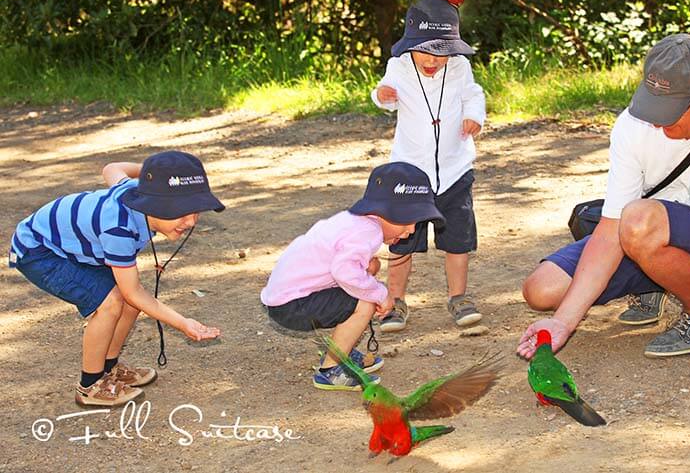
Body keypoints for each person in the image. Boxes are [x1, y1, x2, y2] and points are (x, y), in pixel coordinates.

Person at [517, 34, 690, 389]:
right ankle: (658, 280)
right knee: (542, 290)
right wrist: (563, 323)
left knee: (639, 220)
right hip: (647, 237)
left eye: (671, 112)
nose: (658, 123)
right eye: (653, 107)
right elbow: (610, 230)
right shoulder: (634, 124)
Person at [10, 150, 225, 407]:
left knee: (131, 303)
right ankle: (90, 386)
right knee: (111, 302)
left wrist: (150, 176)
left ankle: (109, 370)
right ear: (153, 203)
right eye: (181, 212)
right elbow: (133, 291)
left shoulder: (137, 189)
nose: (190, 221)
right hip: (38, 250)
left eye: (196, 212)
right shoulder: (118, 228)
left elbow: (112, 168)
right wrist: (183, 323)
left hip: (77, 249)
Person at [261, 162, 445, 391]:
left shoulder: (354, 221)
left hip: (287, 297)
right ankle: (330, 371)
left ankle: (342, 352)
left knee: (368, 274)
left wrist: (370, 269)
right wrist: (381, 294)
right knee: (365, 303)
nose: (410, 231)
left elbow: (342, 265)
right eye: (407, 222)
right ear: (385, 212)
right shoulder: (369, 231)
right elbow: (344, 272)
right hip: (291, 304)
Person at [371, 0, 486, 333]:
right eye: (425, 51)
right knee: (401, 241)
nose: (433, 60)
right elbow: (384, 91)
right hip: (408, 173)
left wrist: (473, 116)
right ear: (409, 45)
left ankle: (459, 297)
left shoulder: (461, 67)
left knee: (458, 239)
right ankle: (395, 300)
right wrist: (383, 96)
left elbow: (473, 94)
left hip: (455, 170)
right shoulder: (399, 66)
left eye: (441, 52)